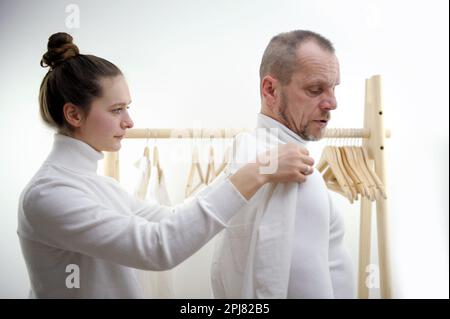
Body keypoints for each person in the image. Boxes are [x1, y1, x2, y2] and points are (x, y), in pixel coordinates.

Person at [17, 32, 315, 298]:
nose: (129, 121)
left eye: (127, 108)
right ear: (74, 115)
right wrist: (255, 173)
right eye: (116, 109)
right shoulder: (49, 195)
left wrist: (242, 170)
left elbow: (171, 218)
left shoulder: (97, 185)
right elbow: (159, 247)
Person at [211, 30, 355, 299]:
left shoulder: (249, 157)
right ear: (271, 90)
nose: (332, 103)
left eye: (334, 87)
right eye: (315, 90)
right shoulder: (297, 173)